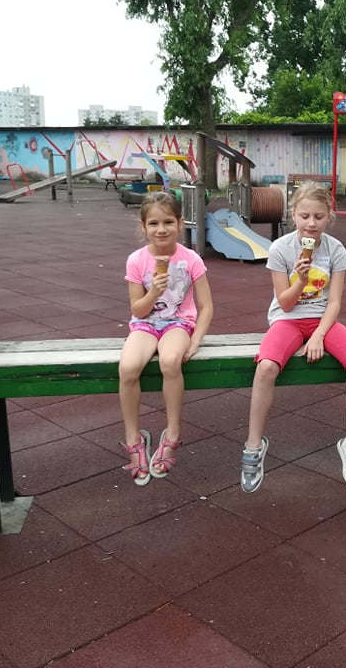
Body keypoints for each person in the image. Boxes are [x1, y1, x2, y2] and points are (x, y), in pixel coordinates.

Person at [241, 182, 346, 493]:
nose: (311, 223)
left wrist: (319, 336)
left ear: (329, 216)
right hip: (287, 320)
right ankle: (253, 446)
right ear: (293, 215)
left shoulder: (335, 249)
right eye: (304, 216)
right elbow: (285, 303)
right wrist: (300, 279)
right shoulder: (280, 249)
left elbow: (334, 302)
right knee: (266, 366)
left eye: (319, 217)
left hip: (322, 319)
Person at [118, 191, 213, 484]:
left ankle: (172, 434)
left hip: (178, 323)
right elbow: (138, 309)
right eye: (154, 223)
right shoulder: (137, 260)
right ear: (143, 226)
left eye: (168, 222)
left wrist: (195, 341)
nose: (161, 229)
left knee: (170, 361)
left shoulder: (191, 259)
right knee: (128, 368)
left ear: (180, 223)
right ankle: (133, 438)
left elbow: (206, 307)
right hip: (145, 323)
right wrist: (155, 292)